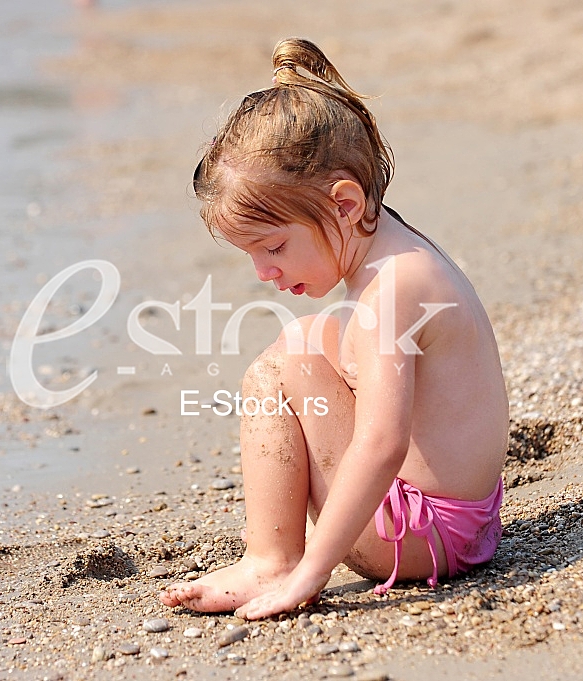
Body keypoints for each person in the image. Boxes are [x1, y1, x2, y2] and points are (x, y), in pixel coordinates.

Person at [160, 38, 509, 620]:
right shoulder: (395, 246)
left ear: (344, 204)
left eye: (273, 247)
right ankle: (275, 554)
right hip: (468, 522)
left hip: (422, 537)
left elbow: (382, 443)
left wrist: (312, 571)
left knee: (281, 367)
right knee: (306, 339)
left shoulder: (391, 290)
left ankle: (273, 560)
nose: (264, 272)